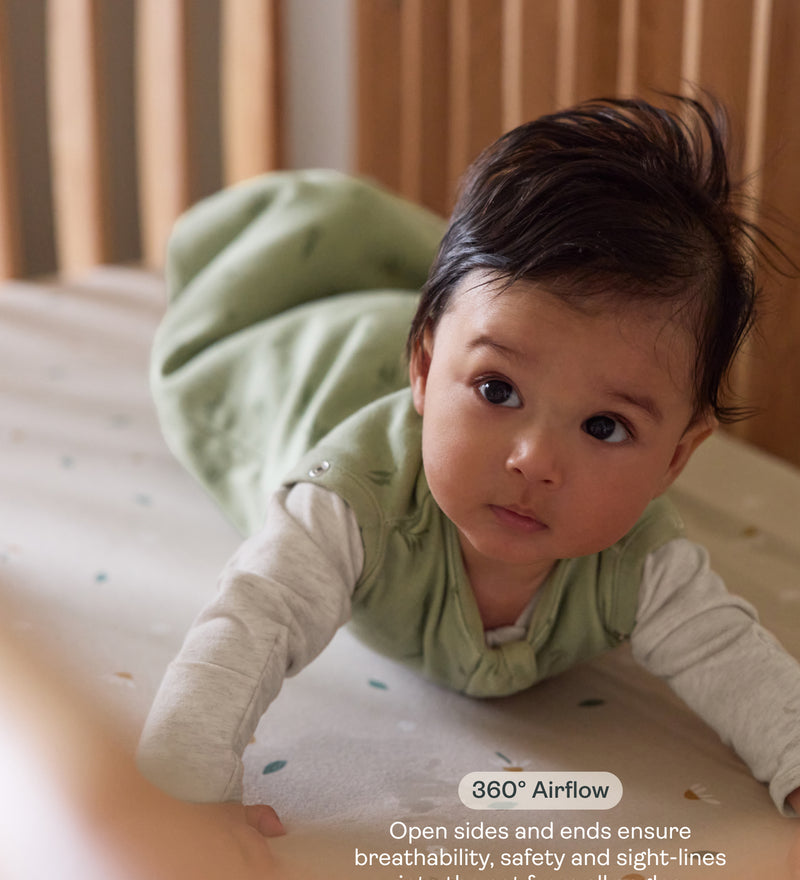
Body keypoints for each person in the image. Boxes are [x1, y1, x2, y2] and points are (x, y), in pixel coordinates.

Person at [137, 95, 800, 823]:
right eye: (498, 390)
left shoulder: (643, 561)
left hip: (444, 347)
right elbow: (253, 616)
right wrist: (186, 797)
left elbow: (733, 660)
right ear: (422, 369)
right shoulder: (352, 502)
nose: (534, 460)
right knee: (280, 353)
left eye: (604, 427)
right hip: (327, 376)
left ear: (675, 459)